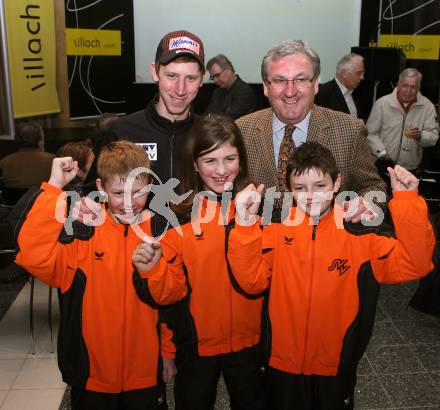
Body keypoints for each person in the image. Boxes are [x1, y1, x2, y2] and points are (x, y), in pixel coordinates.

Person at [228, 141, 435, 410]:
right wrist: (244, 226)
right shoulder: (275, 229)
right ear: (289, 190)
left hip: (336, 364)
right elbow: (250, 281)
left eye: (320, 186)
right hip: (282, 363)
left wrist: (407, 201)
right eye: (300, 188)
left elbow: (416, 264)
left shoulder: (360, 233)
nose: (311, 195)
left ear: (337, 183)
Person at [15, 141, 188, 410]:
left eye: (138, 192)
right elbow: (33, 256)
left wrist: (167, 352)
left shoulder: (161, 230)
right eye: (119, 193)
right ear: (101, 189)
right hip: (92, 375)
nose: (129, 203)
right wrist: (53, 187)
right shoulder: (82, 233)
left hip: (144, 372)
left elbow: (172, 299)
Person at [134, 115, 266, 410]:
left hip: (251, 344)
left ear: (241, 160)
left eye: (230, 158)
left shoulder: (261, 209)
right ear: (194, 164)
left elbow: (265, 283)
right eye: (210, 161)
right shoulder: (175, 217)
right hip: (195, 346)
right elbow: (169, 299)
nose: (221, 171)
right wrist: (167, 349)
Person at [236, 40, 386, 221]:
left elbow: (373, 186)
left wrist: (366, 204)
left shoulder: (350, 130)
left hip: (326, 245)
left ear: (315, 85)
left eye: (301, 79)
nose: (290, 91)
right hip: (260, 244)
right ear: (266, 87)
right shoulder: (242, 130)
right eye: (279, 80)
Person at [105, 30, 205, 183]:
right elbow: (96, 196)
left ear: (202, 80)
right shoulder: (121, 131)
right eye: (172, 76)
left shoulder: (208, 134)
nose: (180, 90)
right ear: (154, 72)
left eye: (191, 78)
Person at [367, 68, 439, 177]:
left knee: (405, 195)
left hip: (409, 170)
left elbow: (433, 137)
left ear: (419, 87)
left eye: (413, 87)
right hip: (381, 166)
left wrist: (421, 136)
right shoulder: (382, 104)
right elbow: (370, 133)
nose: (408, 91)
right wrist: (381, 152)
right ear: (398, 84)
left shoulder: (427, 107)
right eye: (405, 85)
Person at [0, 121, 55, 189]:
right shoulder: (53, 160)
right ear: (40, 141)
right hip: (43, 199)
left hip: (15, 199)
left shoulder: (4, 162)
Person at [205, 54, 257, 120]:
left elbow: (228, 120)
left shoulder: (244, 92)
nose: (215, 80)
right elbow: (205, 117)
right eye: (212, 77)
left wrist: (212, 117)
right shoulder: (217, 93)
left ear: (229, 69)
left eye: (217, 75)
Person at [315, 53, 364, 118]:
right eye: (359, 73)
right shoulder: (322, 93)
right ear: (344, 73)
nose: (362, 77)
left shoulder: (357, 93)